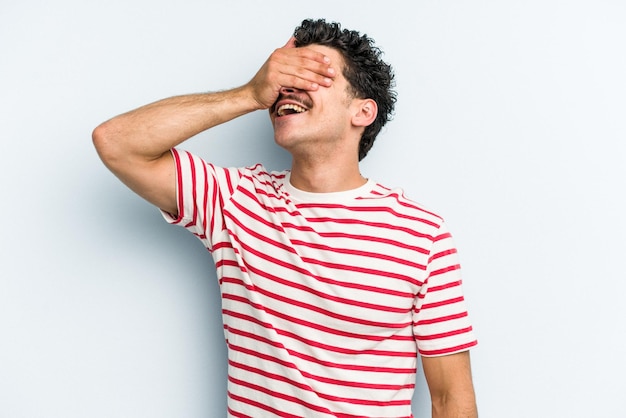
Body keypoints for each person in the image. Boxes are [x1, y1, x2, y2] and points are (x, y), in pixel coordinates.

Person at [93, 18, 478, 418]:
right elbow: (117, 142)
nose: (288, 88)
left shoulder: (421, 235)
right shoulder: (234, 201)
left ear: (362, 111)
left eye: (313, 75)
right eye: (286, 75)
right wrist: (248, 94)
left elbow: (452, 398)